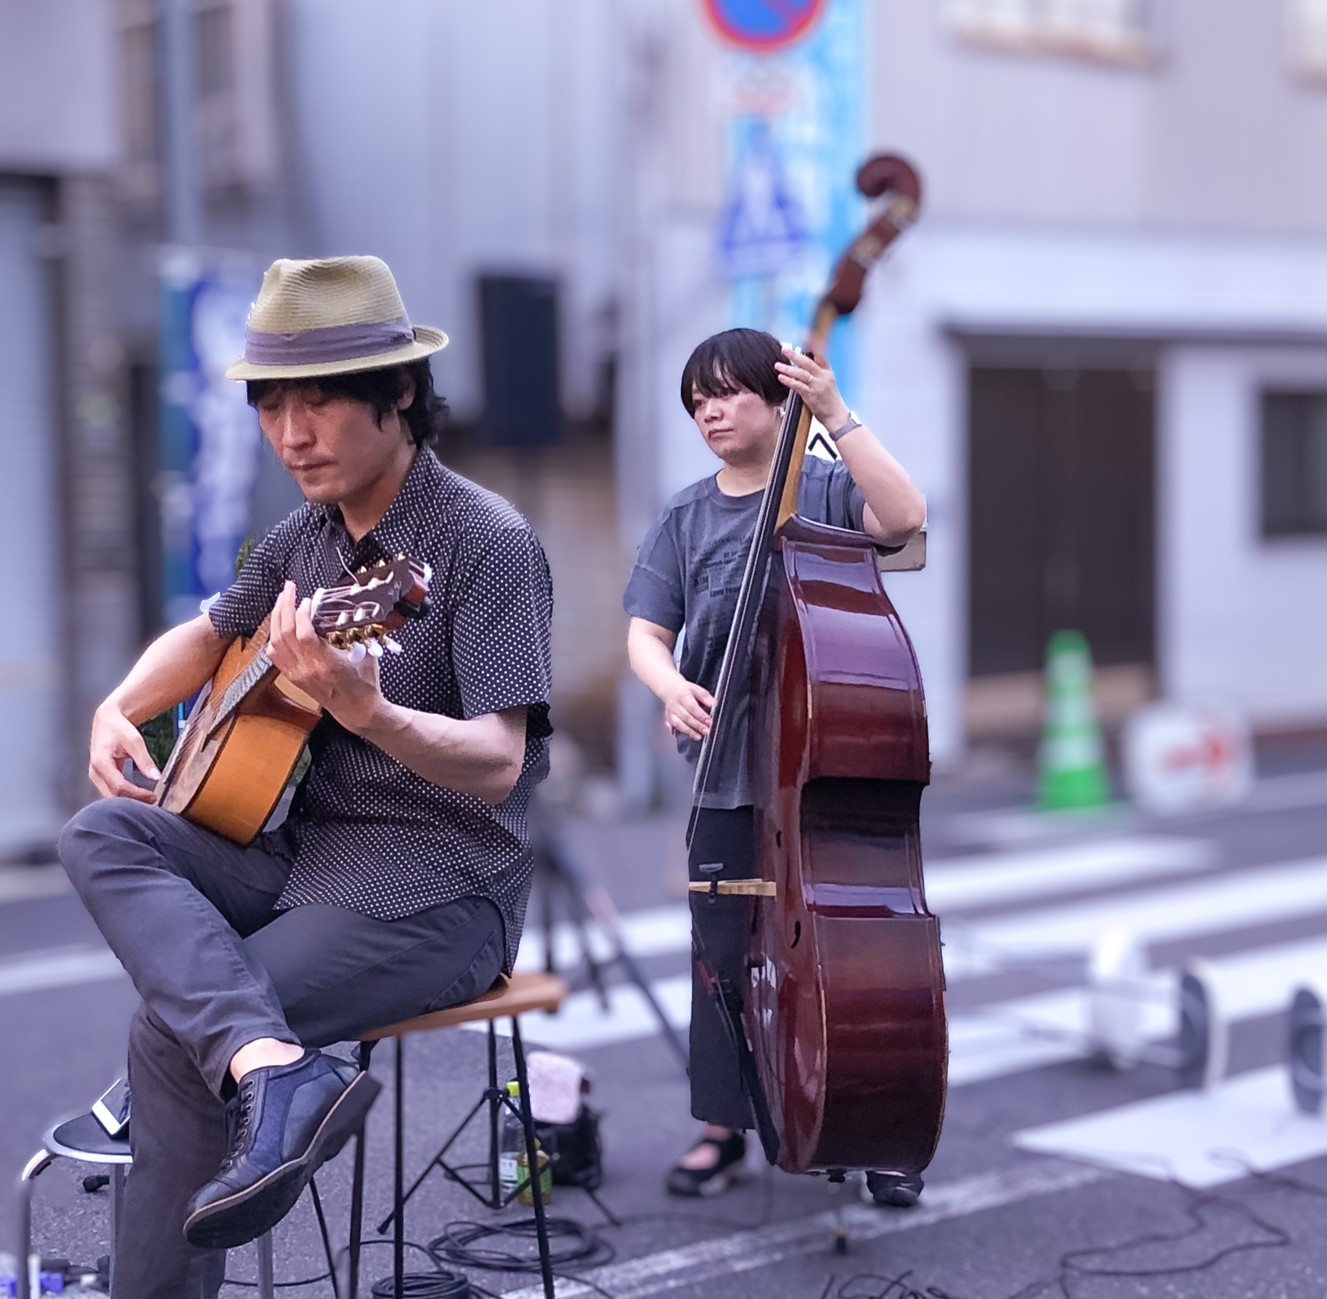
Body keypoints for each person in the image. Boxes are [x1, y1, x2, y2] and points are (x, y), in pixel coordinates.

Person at [58, 256, 555, 1299]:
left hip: (438, 886)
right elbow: (209, 631)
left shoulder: (488, 541)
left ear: (400, 391)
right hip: (304, 857)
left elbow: (500, 765)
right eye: (271, 404)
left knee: (172, 1031)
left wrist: (366, 710)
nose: (290, 433)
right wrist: (117, 707)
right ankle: (278, 1074)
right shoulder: (302, 537)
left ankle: (172, 1245)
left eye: (318, 400)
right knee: (99, 833)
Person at [624, 328, 929, 1208]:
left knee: (863, 955)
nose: (708, 411)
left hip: (829, 766)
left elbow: (904, 517)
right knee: (721, 954)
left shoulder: (824, 485)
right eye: (695, 401)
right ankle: (724, 1128)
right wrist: (670, 683)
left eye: (725, 393)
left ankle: (876, 1126)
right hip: (726, 769)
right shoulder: (686, 516)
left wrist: (835, 412)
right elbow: (645, 632)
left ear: (777, 394)